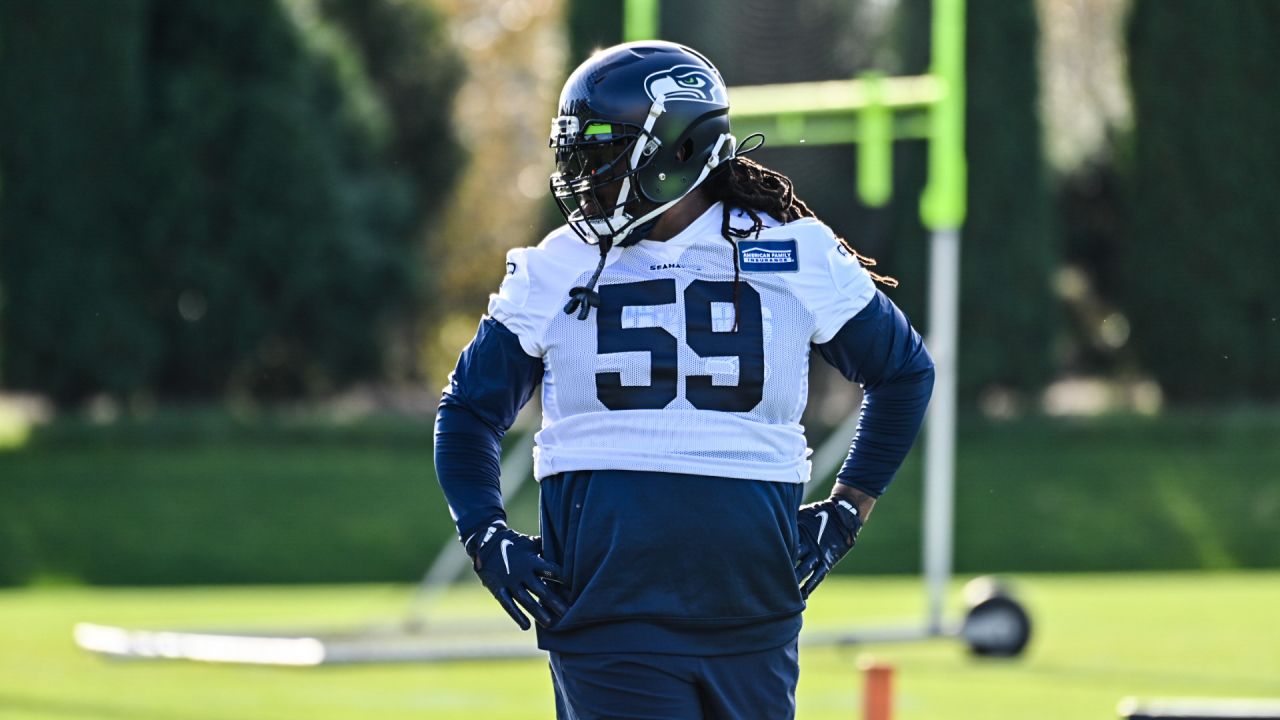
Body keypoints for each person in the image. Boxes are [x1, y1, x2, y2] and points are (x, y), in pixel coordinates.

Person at [434, 40, 934, 720]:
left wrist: (848, 509)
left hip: (752, 613)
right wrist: (483, 530)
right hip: (613, 614)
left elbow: (904, 372)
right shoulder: (559, 265)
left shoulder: (793, 249)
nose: (585, 177)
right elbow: (467, 411)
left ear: (676, 150)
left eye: (602, 153)